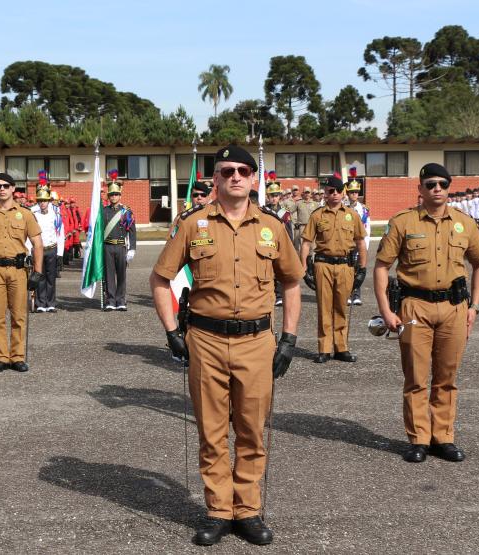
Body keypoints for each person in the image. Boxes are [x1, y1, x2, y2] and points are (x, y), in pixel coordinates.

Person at [150, 144, 303, 546]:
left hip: (257, 342)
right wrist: (170, 330)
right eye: (226, 171)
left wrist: (289, 338)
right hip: (206, 341)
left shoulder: (272, 226)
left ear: (254, 180)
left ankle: (247, 510)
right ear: (215, 179)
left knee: (252, 429)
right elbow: (160, 278)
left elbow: (291, 282)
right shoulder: (192, 224)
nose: (234, 176)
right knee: (212, 431)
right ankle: (218, 511)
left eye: (242, 171)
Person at [373, 163, 479, 464]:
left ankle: (443, 438)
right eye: (430, 184)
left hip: (454, 308)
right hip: (414, 307)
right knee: (415, 377)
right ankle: (419, 439)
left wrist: (474, 307)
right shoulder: (403, 222)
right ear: (420, 189)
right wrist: (386, 309)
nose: (437, 188)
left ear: (449, 188)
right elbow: (382, 266)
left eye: (443, 184)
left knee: (447, 377)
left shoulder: (464, 223)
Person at [0, 173, 44, 373]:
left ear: (13, 189)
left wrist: (37, 272)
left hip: (19, 269)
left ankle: (18, 356)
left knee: (19, 315)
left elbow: (38, 243)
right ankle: (1, 357)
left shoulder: (25, 214)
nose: (1, 189)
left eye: (5, 186)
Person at [300, 175, 367, 363]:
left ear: (343, 192)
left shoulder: (352, 215)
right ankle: (324, 349)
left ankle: (341, 348)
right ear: (325, 193)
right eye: (331, 191)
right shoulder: (317, 215)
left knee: (341, 307)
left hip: (346, 266)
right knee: (324, 307)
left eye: (338, 191)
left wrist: (362, 269)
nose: (335, 194)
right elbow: (306, 243)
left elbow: (361, 243)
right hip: (323, 265)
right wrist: (304, 268)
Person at [101, 175, 136, 311]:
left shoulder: (126, 211)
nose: (114, 197)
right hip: (107, 246)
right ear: (108, 197)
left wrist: (132, 248)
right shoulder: (103, 212)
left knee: (121, 274)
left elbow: (132, 231)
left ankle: (121, 300)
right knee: (109, 274)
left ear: (120, 196)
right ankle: (110, 300)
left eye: (116, 194)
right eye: (111, 195)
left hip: (121, 246)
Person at [29, 185, 64, 312]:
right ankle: (41, 303)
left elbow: (60, 232)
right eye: (40, 200)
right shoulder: (32, 212)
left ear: (49, 201)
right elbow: (28, 234)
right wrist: (29, 251)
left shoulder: (56, 211)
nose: (42, 203)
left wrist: (60, 253)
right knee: (40, 276)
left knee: (51, 277)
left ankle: (51, 303)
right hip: (38, 249)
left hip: (52, 248)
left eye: (44, 200)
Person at [345, 177, 370, 305]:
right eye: (351, 192)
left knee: (359, 269)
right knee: (348, 269)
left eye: (356, 192)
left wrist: (366, 245)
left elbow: (367, 228)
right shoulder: (342, 208)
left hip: (359, 243)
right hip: (347, 244)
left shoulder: (364, 209)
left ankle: (356, 295)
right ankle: (348, 294)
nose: (354, 194)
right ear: (347, 193)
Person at [292, 187, 317, 251]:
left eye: (308, 192)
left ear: (310, 194)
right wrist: (294, 222)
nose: (307, 194)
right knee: (302, 243)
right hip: (302, 226)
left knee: (312, 243)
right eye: (306, 192)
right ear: (303, 193)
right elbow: (290, 212)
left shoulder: (315, 204)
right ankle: (302, 259)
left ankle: (311, 259)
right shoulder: (298, 203)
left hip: (312, 226)